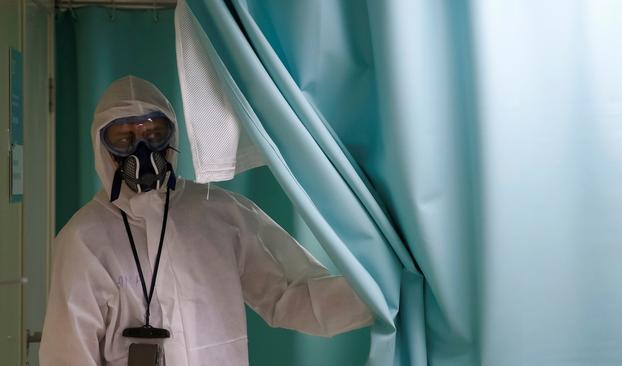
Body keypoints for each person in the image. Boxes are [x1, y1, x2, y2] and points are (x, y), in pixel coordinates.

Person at [40, 76, 373, 366]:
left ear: (171, 136)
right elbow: (67, 354)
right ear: (103, 146)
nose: (141, 149)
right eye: (124, 138)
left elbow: (291, 296)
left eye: (154, 133)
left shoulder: (219, 213)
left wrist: (379, 298)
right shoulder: (84, 238)